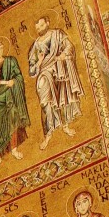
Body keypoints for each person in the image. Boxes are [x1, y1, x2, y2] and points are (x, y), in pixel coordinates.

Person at [28, 17, 84, 150]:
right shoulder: (36, 45)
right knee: (45, 100)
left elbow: (69, 46)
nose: (40, 29)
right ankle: (48, 133)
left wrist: (64, 55)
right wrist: (39, 62)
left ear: (47, 23)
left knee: (62, 98)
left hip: (60, 68)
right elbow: (31, 70)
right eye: (38, 28)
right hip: (45, 72)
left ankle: (65, 125)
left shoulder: (57, 34)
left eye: (41, 25)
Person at [0, 43, 30, 171]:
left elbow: (18, 76)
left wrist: (13, 82)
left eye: (1, 48)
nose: (0, 51)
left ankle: (13, 149)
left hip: (10, 98)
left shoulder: (10, 61)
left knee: (12, 119)